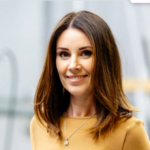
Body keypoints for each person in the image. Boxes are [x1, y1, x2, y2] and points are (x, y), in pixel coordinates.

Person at [30, 10, 150, 150]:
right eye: (64, 54)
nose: (73, 65)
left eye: (86, 53)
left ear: (105, 60)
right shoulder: (39, 124)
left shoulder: (129, 131)